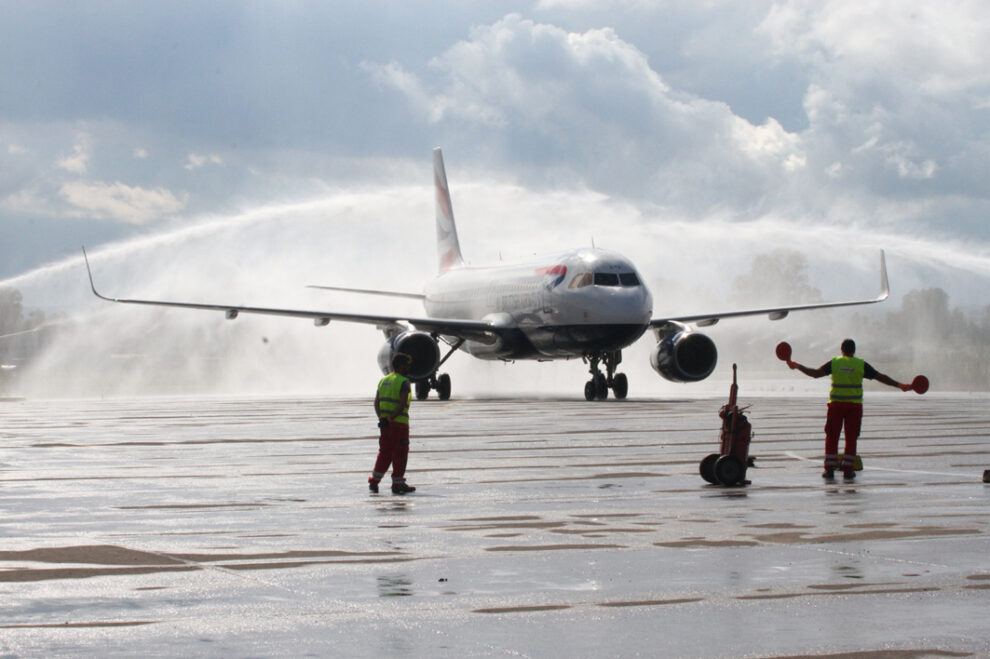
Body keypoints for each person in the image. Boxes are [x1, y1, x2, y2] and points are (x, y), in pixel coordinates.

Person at [786, 338, 912, 480]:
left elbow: (815, 374)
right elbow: (880, 377)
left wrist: (797, 366)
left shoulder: (835, 363)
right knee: (851, 438)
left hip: (836, 406)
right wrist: (899, 385)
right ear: (854, 351)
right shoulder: (860, 364)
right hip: (854, 407)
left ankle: (829, 470)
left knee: (832, 437)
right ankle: (848, 470)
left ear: (841, 350)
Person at [370, 353, 416, 494]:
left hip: (385, 426)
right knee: (400, 454)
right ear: (401, 366)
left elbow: (376, 402)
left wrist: (382, 419)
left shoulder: (384, 380)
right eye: (407, 365)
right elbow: (402, 403)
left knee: (384, 453)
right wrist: (392, 418)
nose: (408, 368)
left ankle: (374, 481)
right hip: (399, 425)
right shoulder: (403, 381)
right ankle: (398, 483)